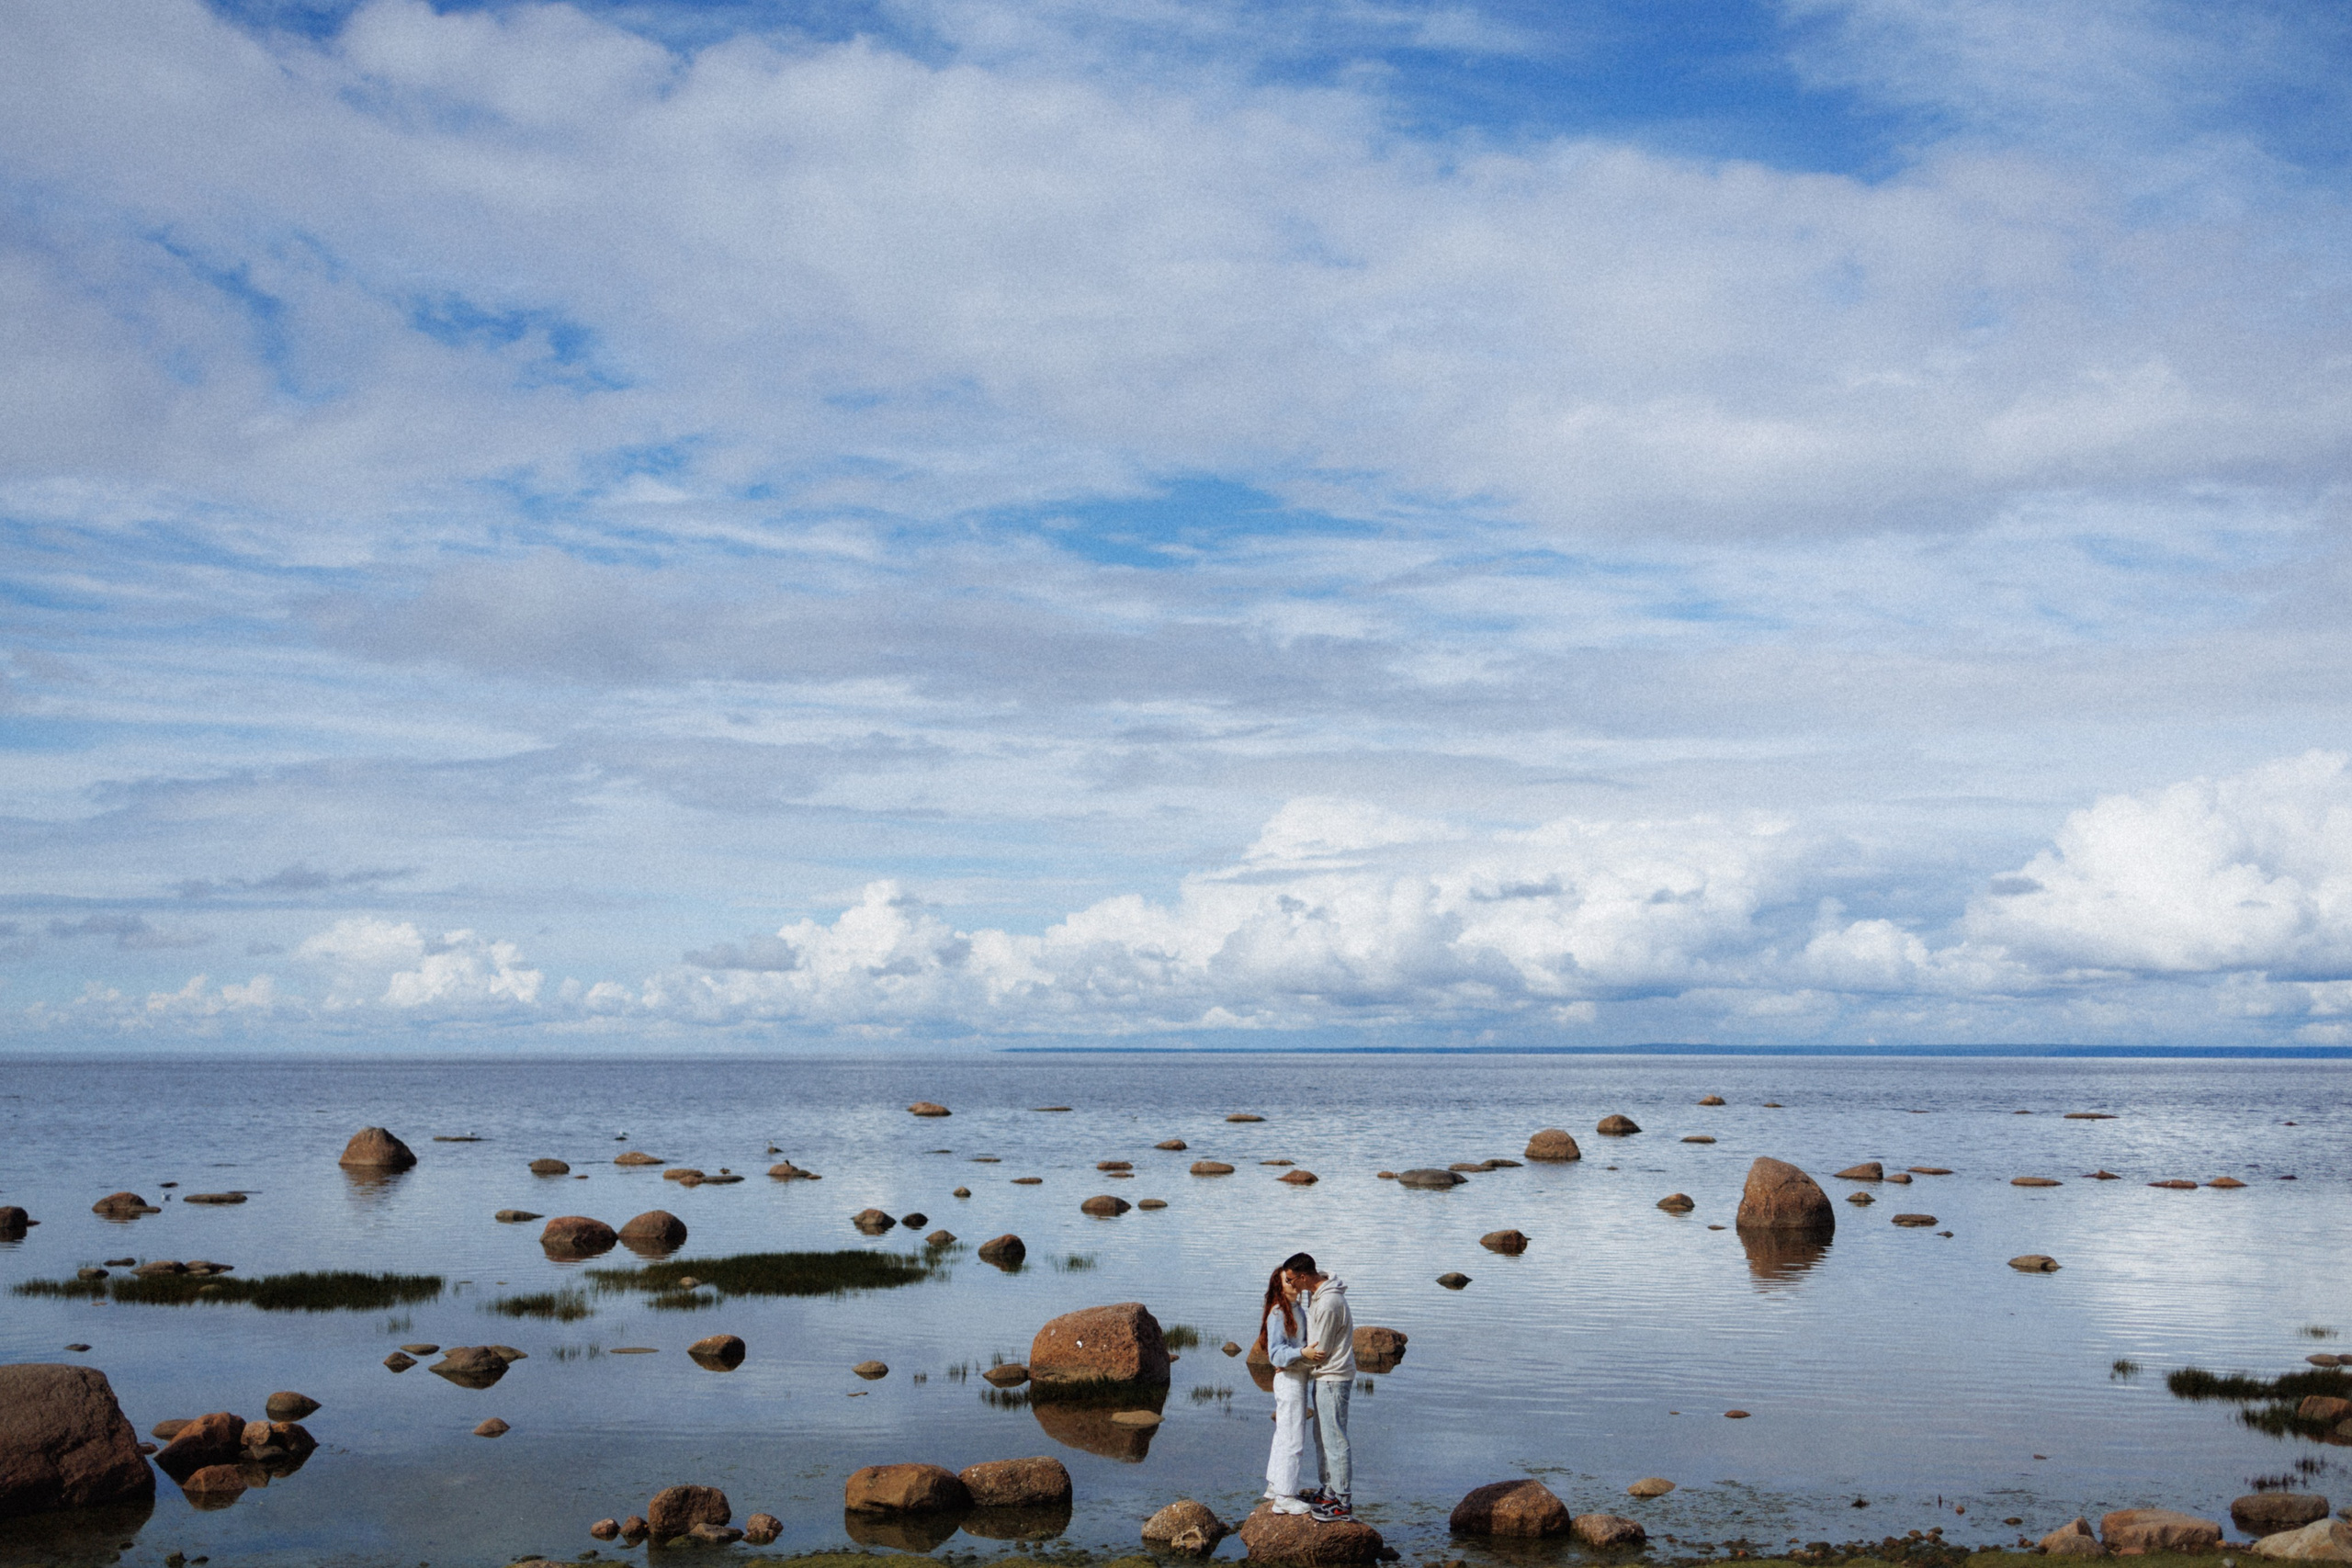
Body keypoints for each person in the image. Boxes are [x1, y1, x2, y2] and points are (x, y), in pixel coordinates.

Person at [1259, 1251, 1357, 1523]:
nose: (1291, 1283)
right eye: (1286, 1281)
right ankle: (1285, 1494)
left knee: (1314, 1437)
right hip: (1299, 1379)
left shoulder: (1315, 1304)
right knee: (1292, 1437)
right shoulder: (1284, 1310)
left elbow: (1316, 1350)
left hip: (1324, 1376)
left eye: (1292, 1279)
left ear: (1302, 1277)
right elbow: (1286, 1352)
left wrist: (1294, 1359)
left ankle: (1334, 1498)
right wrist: (1292, 1358)